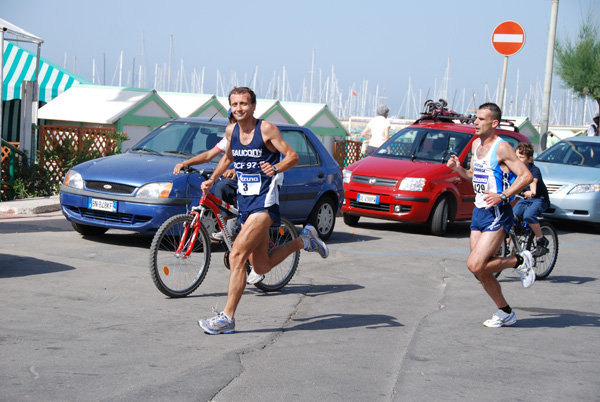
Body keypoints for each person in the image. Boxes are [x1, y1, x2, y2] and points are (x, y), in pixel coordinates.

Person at [197, 87, 329, 335]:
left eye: (244, 104)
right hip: (246, 204)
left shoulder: (266, 129)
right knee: (262, 265)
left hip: (265, 204)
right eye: (235, 104)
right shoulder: (231, 131)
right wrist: (212, 178)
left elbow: (292, 156)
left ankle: (227, 318)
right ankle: (304, 241)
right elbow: (228, 158)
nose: (239, 109)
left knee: (236, 256)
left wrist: (276, 168)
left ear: (253, 106)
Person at [447, 103, 534, 328]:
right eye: (475, 118)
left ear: (493, 123)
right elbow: (473, 175)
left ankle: (520, 260)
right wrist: (458, 170)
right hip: (478, 212)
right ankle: (505, 311)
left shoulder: (502, 148)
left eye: (481, 119)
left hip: (497, 212)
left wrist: (503, 196)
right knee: (481, 271)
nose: (475, 122)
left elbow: (525, 177)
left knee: (475, 265)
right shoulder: (476, 144)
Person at [513, 142, 550, 257]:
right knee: (512, 215)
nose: (518, 160)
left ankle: (541, 239)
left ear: (529, 159)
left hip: (539, 199)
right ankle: (509, 245)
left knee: (529, 215)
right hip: (524, 199)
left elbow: (533, 182)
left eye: (521, 157)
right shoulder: (515, 169)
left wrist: (532, 192)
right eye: (516, 156)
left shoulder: (534, 170)